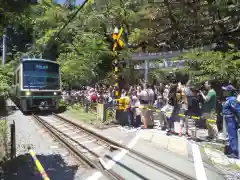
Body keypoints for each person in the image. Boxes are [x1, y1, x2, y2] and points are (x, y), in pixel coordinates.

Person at [222, 85, 239, 158]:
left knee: (232, 136)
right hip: (228, 119)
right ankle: (231, 149)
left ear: (229, 91)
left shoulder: (232, 99)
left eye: (225, 90)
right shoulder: (229, 99)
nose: (224, 91)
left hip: (231, 119)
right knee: (230, 135)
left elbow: (237, 110)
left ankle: (234, 152)